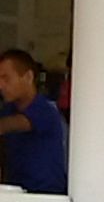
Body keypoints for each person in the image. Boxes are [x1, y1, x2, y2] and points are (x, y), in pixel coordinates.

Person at [0, 48, 67, 194]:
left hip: (46, 195)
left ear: (28, 77)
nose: (1, 85)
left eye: (6, 78)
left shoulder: (45, 109)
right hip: (16, 192)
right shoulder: (8, 110)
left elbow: (14, 124)